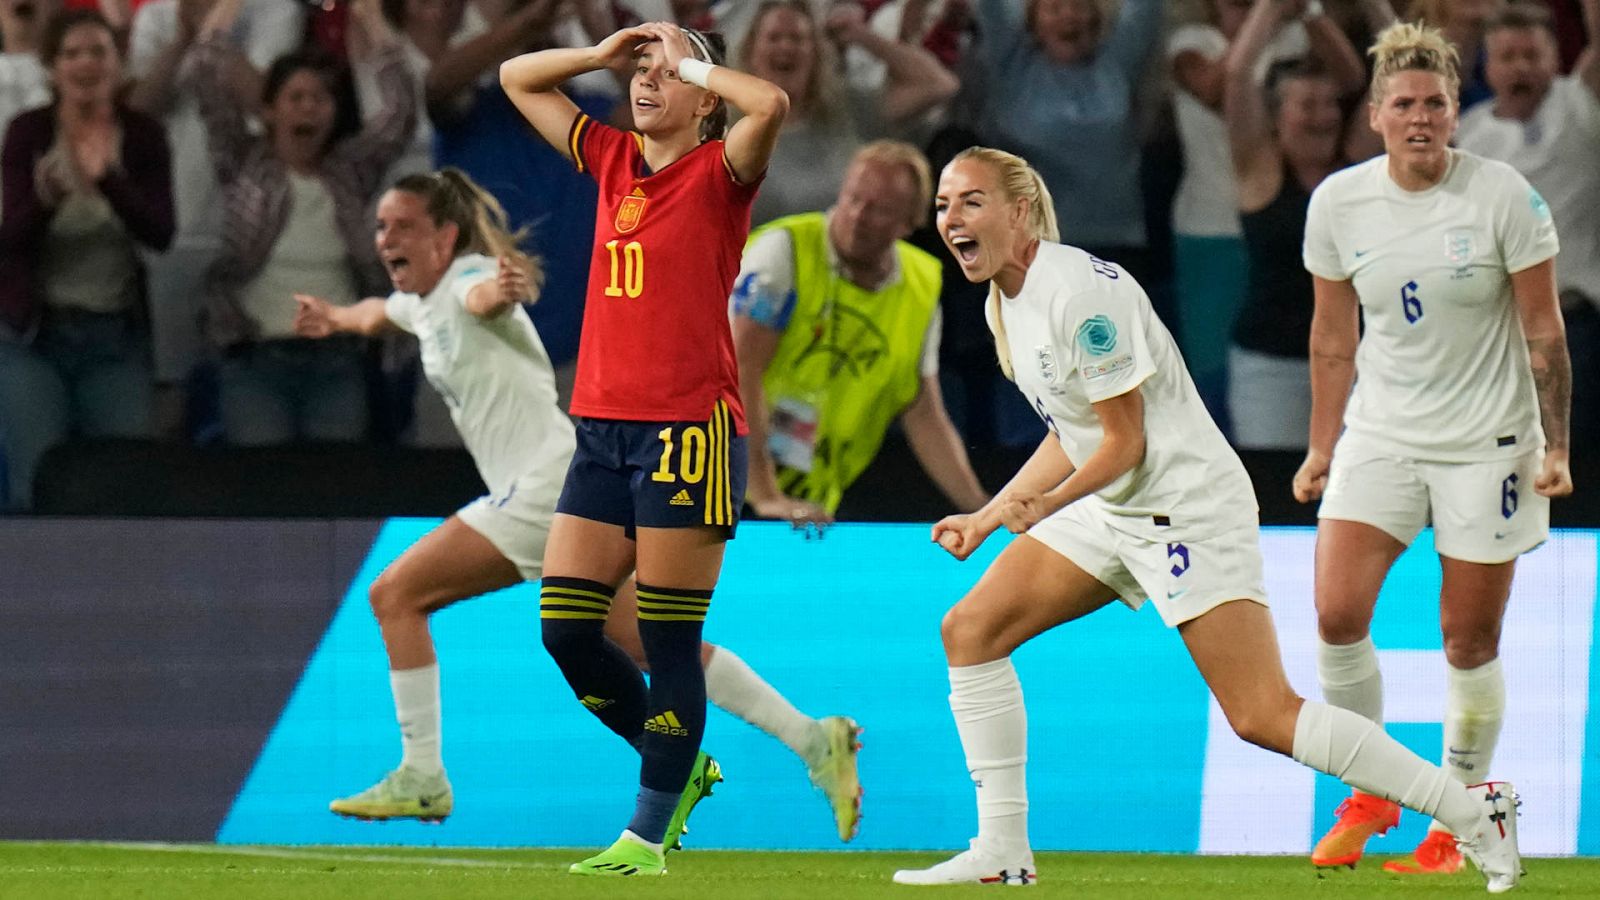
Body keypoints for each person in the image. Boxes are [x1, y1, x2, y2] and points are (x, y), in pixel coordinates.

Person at [890, 146, 1522, 892]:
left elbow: (1125, 442)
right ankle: (1001, 848)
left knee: (1260, 715)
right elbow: (1074, 431)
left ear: (1020, 211)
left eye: (970, 202)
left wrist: (1047, 505)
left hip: (1184, 504)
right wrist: (991, 514)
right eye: (943, 205)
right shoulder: (1006, 299)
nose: (951, 218)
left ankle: (1476, 813)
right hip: (1115, 503)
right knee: (971, 630)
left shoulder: (1081, 294)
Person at [500, 19, 788, 875]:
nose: (648, 81)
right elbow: (520, 79)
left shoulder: (721, 173)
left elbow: (769, 101)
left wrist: (697, 61)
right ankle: (679, 767)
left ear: (705, 102)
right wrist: (597, 56)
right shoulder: (614, 160)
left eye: (669, 75)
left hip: (686, 430)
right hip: (600, 428)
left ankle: (646, 835)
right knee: (566, 629)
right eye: (643, 72)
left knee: (667, 640)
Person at [1293, 21, 1573, 876]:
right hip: (1382, 434)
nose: (1421, 118)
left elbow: (1544, 335)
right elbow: (1332, 338)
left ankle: (1457, 824)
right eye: (1405, 104)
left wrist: (1556, 447)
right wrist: (1320, 447)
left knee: (1467, 641)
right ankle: (1375, 789)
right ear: (1375, 114)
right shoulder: (1338, 203)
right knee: (1337, 615)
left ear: (1458, 112)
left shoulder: (1505, 198)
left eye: (1437, 104)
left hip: (1487, 446)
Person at [291, 168, 573, 821]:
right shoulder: (421, 301)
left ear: (445, 237)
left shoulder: (469, 278)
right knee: (642, 643)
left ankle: (422, 774)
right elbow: (376, 314)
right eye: (382, 226)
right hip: (568, 487)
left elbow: (484, 301)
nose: (387, 236)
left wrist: (503, 294)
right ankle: (812, 738)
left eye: (404, 226)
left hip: (542, 486)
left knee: (394, 595)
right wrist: (334, 316)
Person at [729, 138, 988, 526]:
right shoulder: (783, 253)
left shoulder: (920, 284)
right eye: (853, 198)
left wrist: (980, 509)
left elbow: (921, 410)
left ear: (909, 222)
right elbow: (738, 373)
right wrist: (765, 496)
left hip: (810, 499)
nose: (857, 216)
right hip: (726, 483)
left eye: (879, 209)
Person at [192, 0, 415, 446]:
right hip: (256, 360)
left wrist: (370, 17)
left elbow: (401, 111)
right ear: (271, 111)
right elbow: (207, 74)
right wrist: (228, 7)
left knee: (334, 492)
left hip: (338, 361)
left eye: (320, 99)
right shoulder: (243, 161)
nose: (309, 109)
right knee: (264, 497)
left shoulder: (349, 171)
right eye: (296, 98)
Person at [0, 8, 174, 511]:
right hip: (35, 338)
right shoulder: (27, 133)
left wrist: (109, 182)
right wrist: (46, 200)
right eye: (71, 53)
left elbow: (160, 233)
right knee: (37, 485)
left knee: (125, 489)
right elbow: (8, 241)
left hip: (115, 340)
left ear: (118, 64)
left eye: (98, 51)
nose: (85, 64)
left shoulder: (142, 136)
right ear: (51, 69)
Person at [1457, 0, 1600, 468]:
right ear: (1487, 66)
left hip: (1575, 326)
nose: (1521, 67)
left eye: (1532, 55)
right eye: (1508, 56)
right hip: (1496, 332)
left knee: (1573, 462)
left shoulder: (1581, 100)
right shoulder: (1467, 135)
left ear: (1554, 58)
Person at [1222, 0, 1356, 448]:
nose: (1322, 116)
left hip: (1353, 362)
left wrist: (1314, 12)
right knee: (1277, 488)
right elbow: (1238, 77)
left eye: (1328, 104)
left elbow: (1381, 84)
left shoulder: (1355, 166)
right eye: (1307, 105)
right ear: (1277, 120)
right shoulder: (1259, 170)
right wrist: (1271, 9)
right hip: (1270, 367)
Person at [735, 0, 957, 226]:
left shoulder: (849, 109)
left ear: (816, 55)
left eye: (797, 38)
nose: (785, 47)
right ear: (751, 54)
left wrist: (862, 36)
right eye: (774, 38)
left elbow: (938, 84)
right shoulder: (725, 125)